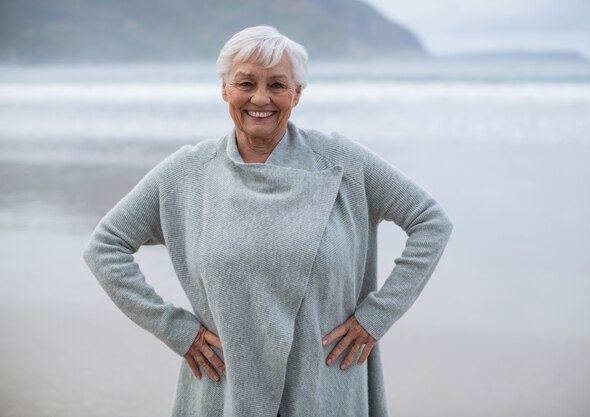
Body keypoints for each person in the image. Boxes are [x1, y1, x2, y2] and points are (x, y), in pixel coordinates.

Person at [83, 25, 453, 417]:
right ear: (225, 88)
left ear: (297, 94)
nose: (261, 98)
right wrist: (176, 329)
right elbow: (105, 247)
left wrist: (378, 315)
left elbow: (430, 221)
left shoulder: (342, 163)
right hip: (225, 389)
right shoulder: (187, 174)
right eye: (246, 83)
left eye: (277, 84)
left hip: (324, 385)